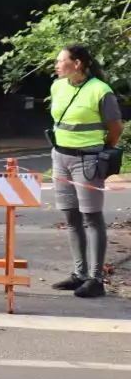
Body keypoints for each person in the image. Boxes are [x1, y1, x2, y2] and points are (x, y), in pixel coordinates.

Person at [48, 45, 123, 298]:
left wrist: (103, 150)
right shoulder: (58, 86)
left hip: (88, 160)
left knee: (92, 218)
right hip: (60, 157)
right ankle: (79, 274)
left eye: (61, 61)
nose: (57, 65)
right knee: (71, 217)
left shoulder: (101, 91)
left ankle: (95, 279)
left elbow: (115, 128)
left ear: (77, 64)